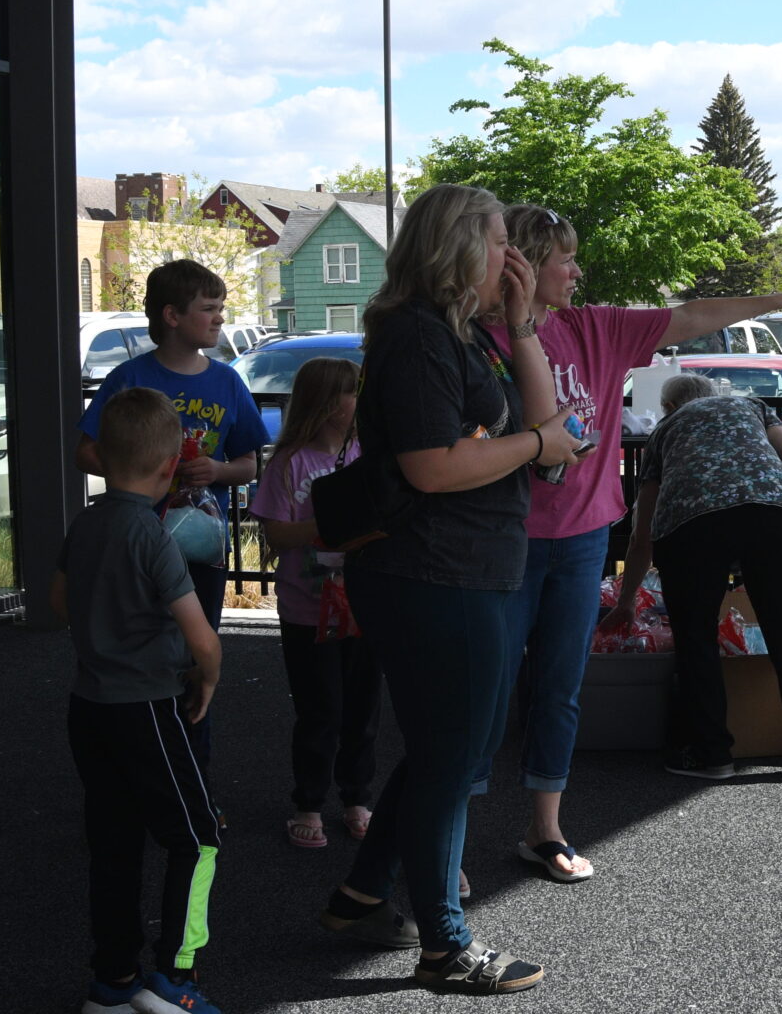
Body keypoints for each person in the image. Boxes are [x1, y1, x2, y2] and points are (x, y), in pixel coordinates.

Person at [478, 203, 782, 881]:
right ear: (521, 262)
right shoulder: (480, 336)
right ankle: (449, 847)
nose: (577, 271)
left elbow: (695, 315)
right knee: (488, 692)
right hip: (506, 540)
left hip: (582, 539)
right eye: (565, 258)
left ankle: (546, 831)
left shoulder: (599, 327)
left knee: (561, 689)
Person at [315, 184, 579, 996]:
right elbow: (437, 466)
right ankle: (445, 947)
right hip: (431, 573)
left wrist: (525, 322)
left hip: (466, 571)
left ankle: (363, 896)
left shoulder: (466, 334)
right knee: (450, 757)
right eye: (500, 241)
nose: (513, 258)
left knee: (449, 746)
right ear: (459, 244)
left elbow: (548, 436)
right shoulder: (415, 337)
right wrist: (535, 441)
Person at [55, 386, 226, 1014]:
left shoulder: (87, 524)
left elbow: (56, 604)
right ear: (166, 470)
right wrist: (206, 679)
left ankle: (113, 980)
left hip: (89, 706)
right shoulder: (154, 537)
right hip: (148, 708)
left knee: (115, 841)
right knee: (199, 836)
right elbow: (202, 637)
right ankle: (175, 977)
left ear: (101, 457)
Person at [76, 259, 269, 779]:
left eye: (221, 309)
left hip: (199, 542)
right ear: (172, 315)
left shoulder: (227, 382)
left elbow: (250, 462)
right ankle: (134, 767)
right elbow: (86, 452)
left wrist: (217, 469)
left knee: (193, 652)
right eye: (208, 310)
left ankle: (191, 777)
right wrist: (146, 469)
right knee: (135, 648)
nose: (220, 320)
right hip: (135, 538)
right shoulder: (130, 377)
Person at [607, 373, 782, 779]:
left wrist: (626, 603)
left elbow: (642, 534)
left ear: (669, 408)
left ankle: (713, 755)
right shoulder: (750, 407)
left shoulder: (665, 431)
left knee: (697, 637)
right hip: (775, 514)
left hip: (693, 524)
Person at [247, 357, 382, 851]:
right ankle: (308, 802)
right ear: (327, 404)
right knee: (319, 710)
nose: (360, 403)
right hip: (308, 611)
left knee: (363, 711)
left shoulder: (369, 454)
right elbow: (278, 535)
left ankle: (356, 797)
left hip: (365, 608)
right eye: (353, 393)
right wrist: (328, 527)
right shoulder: (289, 462)